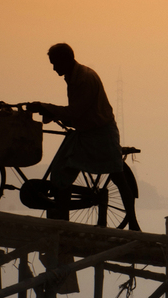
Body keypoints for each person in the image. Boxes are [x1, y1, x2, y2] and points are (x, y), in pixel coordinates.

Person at [26, 43, 139, 230]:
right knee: (61, 172)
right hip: (86, 133)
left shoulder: (84, 79)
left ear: (66, 60)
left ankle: (133, 223)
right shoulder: (73, 76)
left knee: (118, 178)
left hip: (101, 133)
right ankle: (62, 221)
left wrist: (45, 107)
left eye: (55, 63)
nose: (54, 68)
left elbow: (75, 113)